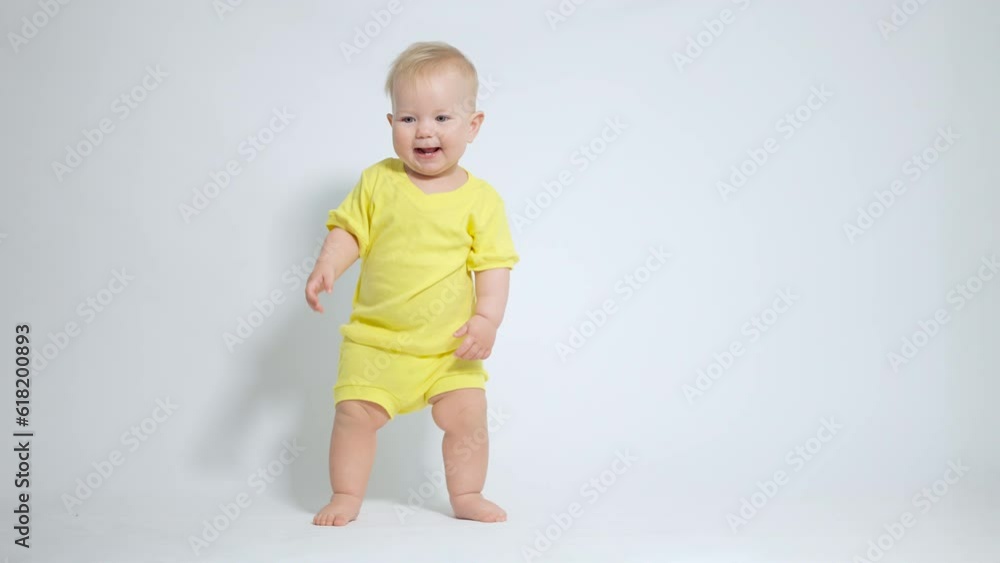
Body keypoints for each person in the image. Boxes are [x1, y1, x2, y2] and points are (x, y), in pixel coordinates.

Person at [305, 41, 519, 526]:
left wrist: (487, 319)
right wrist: (327, 264)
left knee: (468, 416)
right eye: (408, 118)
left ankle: (467, 494)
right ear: (391, 123)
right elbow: (350, 230)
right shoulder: (378, 181)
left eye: (442, 118)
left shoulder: (481, 200)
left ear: (473, 125)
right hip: (375, 341)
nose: (424, 130)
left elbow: (494, 266)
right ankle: (345, 495)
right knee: (353, 415)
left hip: (449, 347)